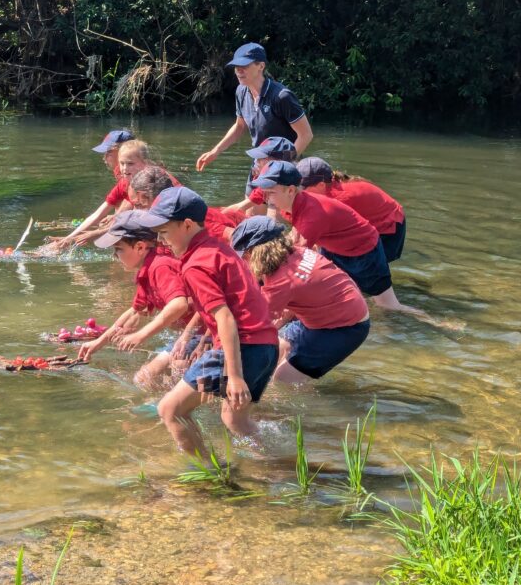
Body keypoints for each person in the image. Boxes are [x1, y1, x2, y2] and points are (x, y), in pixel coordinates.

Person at [136, 187, 279, 449]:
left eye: (165, 232)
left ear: (187, 224)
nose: (161, 240)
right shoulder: (217, 249)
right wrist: (204, 339)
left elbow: (225, 318)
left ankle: (211, 476)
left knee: (170, 410)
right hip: (264, 345)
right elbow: (234, 303)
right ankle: (275, 467)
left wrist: (234, 376)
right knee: (234, 420)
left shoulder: (197, 264)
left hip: (242, 348)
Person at [253, 161, 423, 316]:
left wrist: (262, 281)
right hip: (334, 248)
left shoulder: (313, 214)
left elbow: (293, 258)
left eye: (270, 193)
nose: (267, 199)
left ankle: (436, 322)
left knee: (388, 305)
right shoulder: (291, 203)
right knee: (341, 292)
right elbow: (293, 239)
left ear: (291, 190)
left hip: (363, 252)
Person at [231, 217, 370, 384]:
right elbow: (297, 297)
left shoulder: (280, 282)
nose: (243, 263)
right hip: (331, 313)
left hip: (345, 329)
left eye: (244, 257)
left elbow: (248, 327)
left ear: (255, 253)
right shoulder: (295, 252)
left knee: (283, 379)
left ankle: (296, 408)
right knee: (278, 349)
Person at [77, 211, 194, 387]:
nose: (114, 256)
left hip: (201, 332)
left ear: (140, 247)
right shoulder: (147, 269)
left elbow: (179, 304)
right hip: (189, 334)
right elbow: (135, 312)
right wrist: (99, 342)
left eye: (118, 249)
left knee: (146, 379)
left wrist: (141, 335)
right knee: (151, 379)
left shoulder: (160, 266)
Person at [195, 43, 313, 193]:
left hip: (284, 168)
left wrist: (280, 165)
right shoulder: (241, 91)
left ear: (261, 66)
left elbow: (306, 135)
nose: (238, 70)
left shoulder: (281, 96)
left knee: (275, 214)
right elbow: (239, 126)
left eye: (244, 65)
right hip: (259, 164)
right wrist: (215, 151)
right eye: (236, 66)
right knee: (250, 214)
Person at [58, 140, 177, 248]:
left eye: (130, 164)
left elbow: (143, 219)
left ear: (145, 163)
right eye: (122, 163)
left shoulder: (154, 182)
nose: (124, 169)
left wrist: (98, 233)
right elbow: (98, 214)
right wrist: (68, 238)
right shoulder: (126, 182)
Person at [296, 157, 407, 262]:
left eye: (302, 188)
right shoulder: (329, 185)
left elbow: (313, 235)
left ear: (321, 185)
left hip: (390, 226)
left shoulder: (337, 201)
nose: (299, 192)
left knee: (366, 267)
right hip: (377, 219)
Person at [224, 136, 298, 218]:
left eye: (261, 158)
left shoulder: (285, 189)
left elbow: (272, 224)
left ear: (278, 163)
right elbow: (240, 207)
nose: (256, 161)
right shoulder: (271, 184)